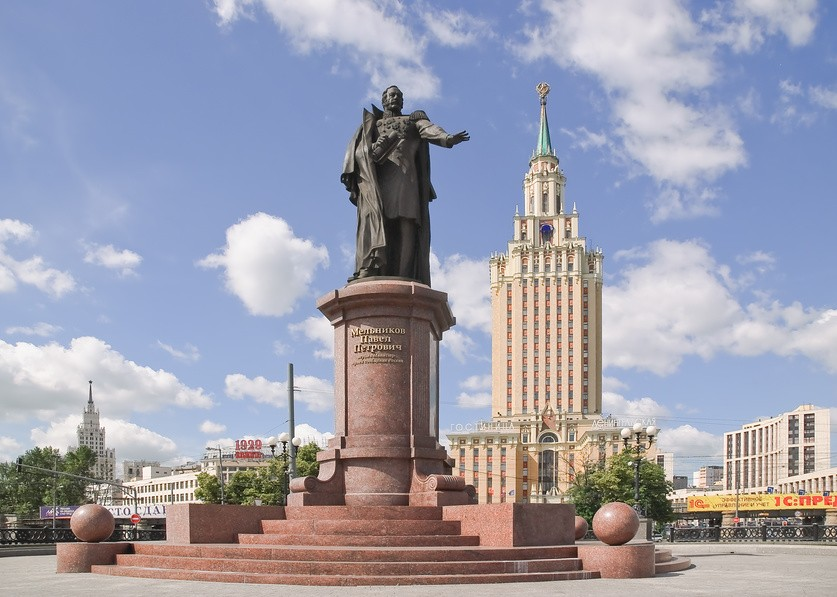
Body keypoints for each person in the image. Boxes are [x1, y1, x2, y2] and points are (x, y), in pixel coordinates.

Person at [341, 85, 469, 285]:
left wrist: (447, 138)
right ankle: (374, 266)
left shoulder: (413, 120)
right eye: (392, 95)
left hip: (406, 180)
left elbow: (430, 130)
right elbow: (361, 152)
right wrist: (373, 147)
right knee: (379, 223)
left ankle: (404, 274)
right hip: (377, 184)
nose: (396, 98)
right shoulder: (372, 124)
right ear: (384, 100)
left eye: (399, 96)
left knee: (406, 225)